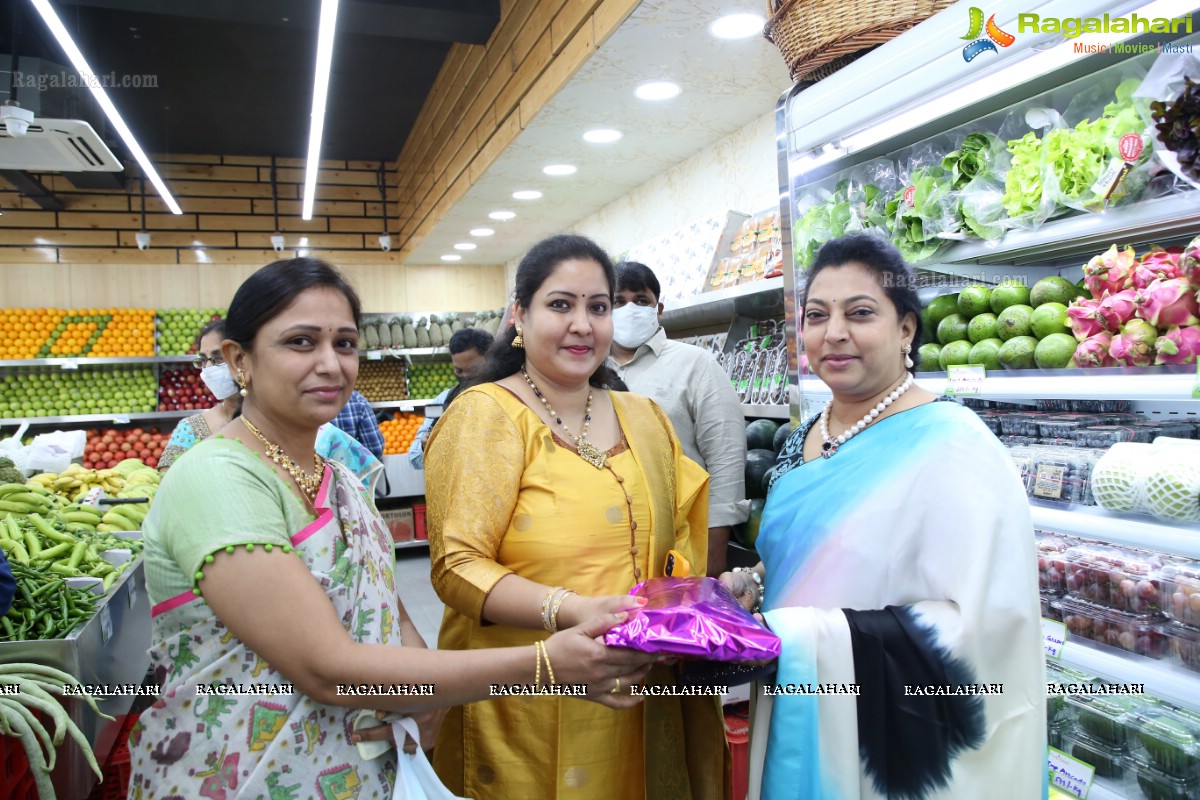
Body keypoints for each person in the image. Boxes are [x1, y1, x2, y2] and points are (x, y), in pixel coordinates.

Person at [130, 257, 655, 799]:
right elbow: (324, 667)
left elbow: (388, 611)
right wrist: (544, 664)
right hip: (234, 773)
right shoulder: (216, 478)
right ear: (240, 360)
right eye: (301, 343)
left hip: (356, 773)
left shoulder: (340, 479)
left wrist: (428, 696)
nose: (331, 365)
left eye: (345, 343)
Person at [721, 233, 1045, 800]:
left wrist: (799, 638)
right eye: (817, 315)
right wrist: (753, 586)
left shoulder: (954, 446)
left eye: (861, 313)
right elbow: (813, 566)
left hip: (897, 740)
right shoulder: (803, 440)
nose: (835, 333)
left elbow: (987, 626)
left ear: (906, 329)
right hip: (801, 704)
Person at [425, 235, 729, 800]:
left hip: (645, 685)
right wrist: (572, 611)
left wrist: (702, 606)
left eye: (598, 307)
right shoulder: (487, 415)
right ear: (519, 315)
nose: (583, 324)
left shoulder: (644, 417)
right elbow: (455, 566)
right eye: (560, 304)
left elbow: (678, 539)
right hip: (529, 697)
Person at [609, 261, 748, 576]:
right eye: (618, 301)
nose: (629, 309)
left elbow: (726, 460)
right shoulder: (587, 370)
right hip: (609, 547)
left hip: (681, 541)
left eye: (641, 301)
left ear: (658, 309)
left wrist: (712, 555)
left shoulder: (696, 365)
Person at [159, 319, 385, 492]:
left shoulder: (307, 427)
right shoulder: (190, 430)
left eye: (218, 358)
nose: (209, 369)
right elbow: (167, 494)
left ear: (242, 358)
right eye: (203, 360)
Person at [406, 327, 492, 469]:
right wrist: (424, 447)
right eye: (458, 370)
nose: (464, 376)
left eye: (473, 370)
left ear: (491, 361)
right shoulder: (443, 400)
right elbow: (414, 459)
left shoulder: (506, 397)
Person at [330, 390, 385, 460]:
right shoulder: (357, 400)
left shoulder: (312, 400)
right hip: (349, 467)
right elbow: (375, 448)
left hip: (315, 467)